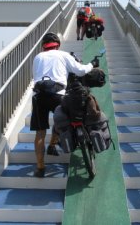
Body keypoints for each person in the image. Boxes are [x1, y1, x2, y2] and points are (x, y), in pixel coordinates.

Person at [30, 32, 99, 177]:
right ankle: (53, 145)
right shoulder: (63, 55)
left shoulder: (37, 57)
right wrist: (91, 64)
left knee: (40, 132)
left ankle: (40, 167)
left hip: (38, 96)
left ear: (43, 46)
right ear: (58, 45)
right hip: (58, 94)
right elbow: (80, 71)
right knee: (62, 120)